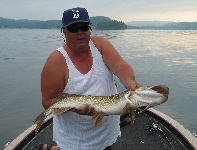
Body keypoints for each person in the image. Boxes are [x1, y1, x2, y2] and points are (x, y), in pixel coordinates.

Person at [40, 7, 139, 150]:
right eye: (73, 28)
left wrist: (130, 81)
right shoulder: (56, 62)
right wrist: (73, 108)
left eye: (84, 27)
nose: (80, 32)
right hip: (75, 141)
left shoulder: (100, 45)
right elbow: (48, 102)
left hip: (105, 133)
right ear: (64, 32)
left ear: (89, 28)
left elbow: (121, 65)